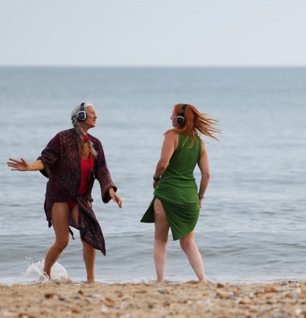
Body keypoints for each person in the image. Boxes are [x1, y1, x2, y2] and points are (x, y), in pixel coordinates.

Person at [7, 102, 123, 283]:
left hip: (81, 198)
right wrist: (30, 166)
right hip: (59, 195)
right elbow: (46, 160)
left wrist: (110, 190)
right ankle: (45, 274)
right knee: (62, 241)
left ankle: (91, 280)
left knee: (89, 234)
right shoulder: (62, 138)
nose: (96, 116)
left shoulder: (96, 144)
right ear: (81, 116)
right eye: (92, 113)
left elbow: (102, 171)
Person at [140, 104, 220, 283]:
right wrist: (200, 197)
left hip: (167, 195)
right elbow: (206, 174)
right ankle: (203, 279)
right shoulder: (199, 143)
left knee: (160, 240)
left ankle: (160, 280)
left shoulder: (172, 136)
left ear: (181, 118)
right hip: (190, 199)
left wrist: (155, 177)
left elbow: (163, 163)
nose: (171, 118)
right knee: (188, 243)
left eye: (173, 115)